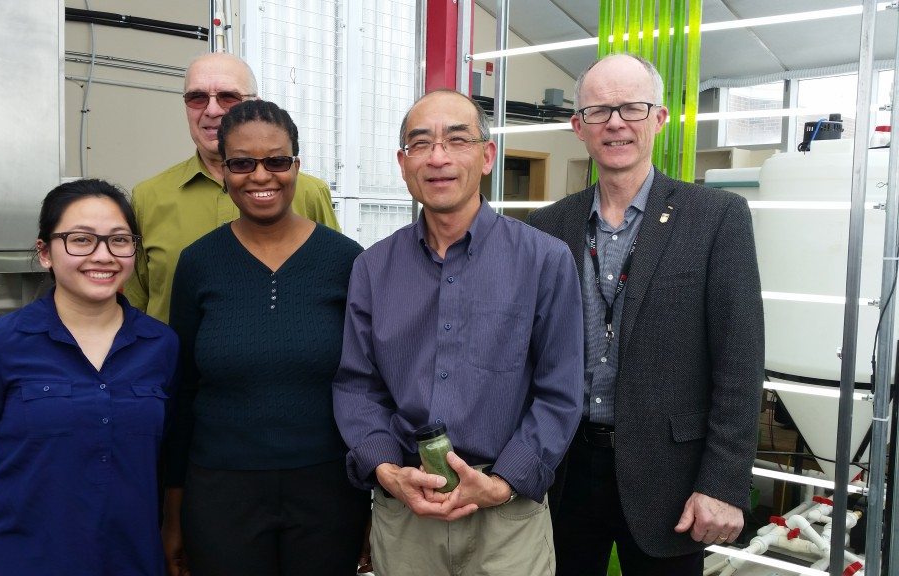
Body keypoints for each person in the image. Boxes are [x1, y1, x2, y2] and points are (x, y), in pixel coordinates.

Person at [526, 54, 764, 575]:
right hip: (564, 472)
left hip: (673, 480)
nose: (616, 122)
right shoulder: (548, 226)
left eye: (632, 108)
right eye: (599, 111)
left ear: (659, 118)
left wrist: (722, 484)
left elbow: (740, 362)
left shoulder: (716, 218)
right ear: (578, 127)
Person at [332, 89, 585, 575]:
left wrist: (506, 481)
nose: (438, 157)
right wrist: (386, 470)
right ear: (403, 164)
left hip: (506, 513)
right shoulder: (372, 268)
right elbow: (356, 386)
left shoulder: (544, 260)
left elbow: (560, 391)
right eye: (420, 144)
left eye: (457, 140)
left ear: (487, 156)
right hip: (408, 506)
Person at [164, 99, 370, 576]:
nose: (261, 176)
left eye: (277, 161)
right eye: (242, 163)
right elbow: (184, 391)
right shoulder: (198, 264)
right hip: (220, 491)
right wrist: (173, 513)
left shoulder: (346, 261)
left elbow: (366, 385)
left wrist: (370, 504)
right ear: (223, 171)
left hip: (328, 490)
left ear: (296, 165)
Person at [0, 179, 178, 576]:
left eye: (119, 240)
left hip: (133, 562)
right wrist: (10, 547)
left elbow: (169, 465)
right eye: (81, 240)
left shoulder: (161, 346)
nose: (103, 256)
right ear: (45, 252)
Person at [126, 52, 340, 323]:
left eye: (228, 97)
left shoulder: (309, 192)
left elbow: (339, 283)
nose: (212, 110)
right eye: (197, 98)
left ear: (256, 104)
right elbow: (135, 305)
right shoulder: (148, 198)